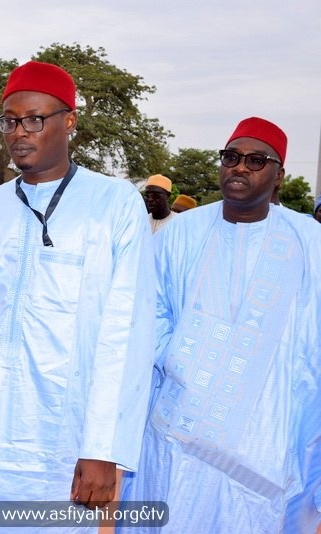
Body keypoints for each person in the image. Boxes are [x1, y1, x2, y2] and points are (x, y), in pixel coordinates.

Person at [0, 61, 156, 531]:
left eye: (34, 119)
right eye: (9, 120)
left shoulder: (114, 203)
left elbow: (126, 334)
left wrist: (103, 448)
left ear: (68, 121)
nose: (19, 132)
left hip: (61, 434)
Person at [120, 117, 321, 533]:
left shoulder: (310, 242)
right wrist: (179, 355)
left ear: (278, 175)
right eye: (231, 157)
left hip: (269, 430)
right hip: (180, 425)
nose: (240, 167)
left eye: (255, 160)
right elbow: (147, 309)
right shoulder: (181, 232)